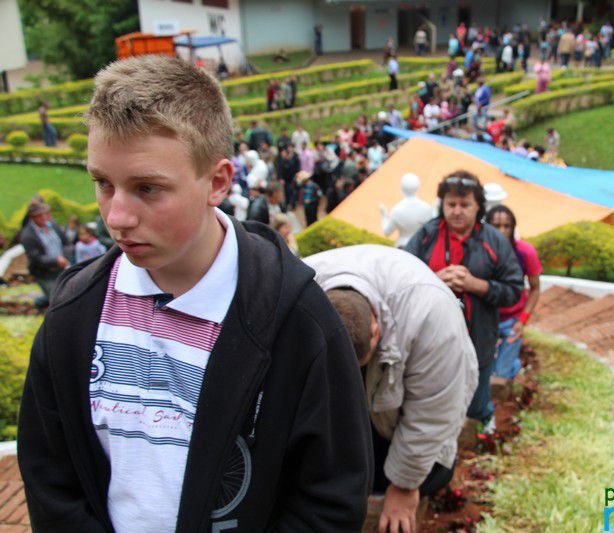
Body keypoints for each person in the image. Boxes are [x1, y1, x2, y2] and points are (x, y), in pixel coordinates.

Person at [17, 54, 372, 531]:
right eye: (103, 183)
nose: (116, 217)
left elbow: (330, 500)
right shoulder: (73, 314)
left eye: (147, 188)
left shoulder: (300, 325)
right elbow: (50, 478)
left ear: (218, 182)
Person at [305, 245, 478, 533]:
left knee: (429, 471)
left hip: (407, 399)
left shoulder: (431, 314)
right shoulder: (295, 292)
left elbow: (433, 413)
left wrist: (404, 486)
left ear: (376, 329)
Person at [405, 171, 523, 430]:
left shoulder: (495, 241)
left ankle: (482, 426)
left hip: (478, 340)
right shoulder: (426, 236)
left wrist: (476, 285)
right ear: (442, 205)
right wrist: (434, 281)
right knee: (430, 399)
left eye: (465, 204)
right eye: (451, 204)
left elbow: (514, 290)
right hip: (430, 341)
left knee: (476, 400)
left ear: (478, 206)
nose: (457, 211)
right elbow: (400, 279)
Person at [486, 206, 542, 380]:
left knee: (501, 374)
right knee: (482, 370)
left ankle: (514, 365)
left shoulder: (525, 252)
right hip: (485, 320)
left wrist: (523, 319)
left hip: (512, 321)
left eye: (507, 226)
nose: (502, 231)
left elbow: (535, 288)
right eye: (496, 226)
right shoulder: (478, 252)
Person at [19, 201, 70, 308]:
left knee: (66, 293)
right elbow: (36, 258)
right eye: (39, 216)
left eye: (45, 214)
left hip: (61, 267)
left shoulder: (53, 225)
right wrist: (56, 260)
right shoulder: (28, 235)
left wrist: (64, 256)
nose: (44, 218)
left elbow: (65, 242)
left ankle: (39, 302)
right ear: (32, 218)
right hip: (44, 273)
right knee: (55, 298)